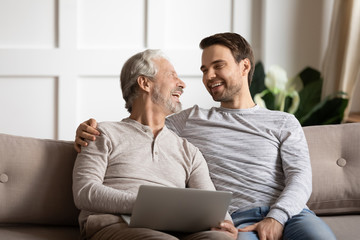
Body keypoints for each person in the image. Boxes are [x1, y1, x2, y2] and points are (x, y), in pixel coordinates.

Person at [75, 33, 336, 240]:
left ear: (244, 66)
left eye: (218, 66)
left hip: (292, 214)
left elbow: (301, 178)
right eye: (204, 69)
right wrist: (85, 132)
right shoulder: (189, 121)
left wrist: (276, 217)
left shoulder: (283, 122)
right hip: (240, 219)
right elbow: (142, 123)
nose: (207, 77)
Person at [72, 49, 238, 240]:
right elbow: (85, 192)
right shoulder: (101, 133)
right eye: (172, 75)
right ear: (145, 83)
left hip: (177, 231)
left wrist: (226, 224)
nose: (182, 84)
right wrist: (147, 205)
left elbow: (212, 206)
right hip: (115, 225)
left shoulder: (189, 151)